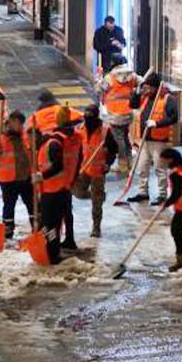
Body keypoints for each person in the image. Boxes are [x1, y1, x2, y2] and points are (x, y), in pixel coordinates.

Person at [34, 106, 79, 265]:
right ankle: (52, 250)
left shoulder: (52, 144)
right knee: (53, 223)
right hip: (63, 188)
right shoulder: (72, 139)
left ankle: (51, 253)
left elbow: (58, 166)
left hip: (53, 191)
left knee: (49, 225)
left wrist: (41, 176)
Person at [127, 72, 178, 204]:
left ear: (156, 87)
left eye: (150, 88)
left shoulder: (167, 99)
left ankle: (162, 194)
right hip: (144, 139)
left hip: (159, 141)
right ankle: (142, 192)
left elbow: (174, 117)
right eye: (146, 87)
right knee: (142, 167)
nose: (147, 90)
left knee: (160, 168)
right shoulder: (145, 97)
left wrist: (157, 124)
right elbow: (132, 105)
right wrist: (137, 93)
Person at [76, 104, 118, 238]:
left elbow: (113, 150)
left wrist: (108, 164)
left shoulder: (105, 132)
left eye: (91, 116)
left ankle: (96, 227)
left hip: (98, 172)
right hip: (83, 169)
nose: (88, 119)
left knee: (96, 204)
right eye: (86, 115)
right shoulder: (80, 130)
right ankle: (98, 196)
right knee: (77, 192)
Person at [96, 57, 138, 172]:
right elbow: (141, 84)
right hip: (128, 112)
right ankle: (129, 161)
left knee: (118, 139)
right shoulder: (132, 76)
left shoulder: (110, 77)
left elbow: (99, 89)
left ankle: (123, 163)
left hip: (115, 114)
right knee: (125, 136)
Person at [0, 110, 33, 240]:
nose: (20, 127)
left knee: (32, 204)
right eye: (18, 123)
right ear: (11, 122)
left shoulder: (25, 135)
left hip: (25, 177)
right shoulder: (0, 136)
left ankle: (36, 229)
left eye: (21, 124)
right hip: (8, 179)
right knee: (9, 206)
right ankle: (7, 232)